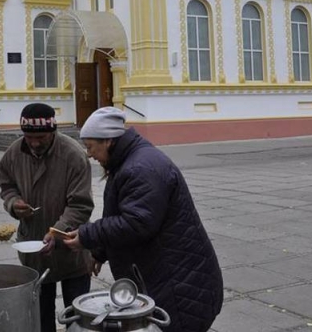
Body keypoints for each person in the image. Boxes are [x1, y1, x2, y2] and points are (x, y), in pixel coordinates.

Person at [64, 107, 223, 332]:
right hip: (164, 275)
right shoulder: (128, 161)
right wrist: (100, 251)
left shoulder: (140, 168)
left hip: (179, 284)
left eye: (90, 146)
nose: (89, 154)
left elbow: (136, 223)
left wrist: (87, 235)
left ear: (108, 141)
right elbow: (123, 215)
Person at [0, 103, 94, 332]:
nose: (34, 143)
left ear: (53, 131)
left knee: (77, 319)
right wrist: (13, 203)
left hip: (72, 250)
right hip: (34, 250)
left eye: (40, 137)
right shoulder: (14, 152)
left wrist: (57, 231)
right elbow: (6, 184)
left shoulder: (73, 155)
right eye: (29, 137)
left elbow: (80, 205)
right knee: (40, 319)